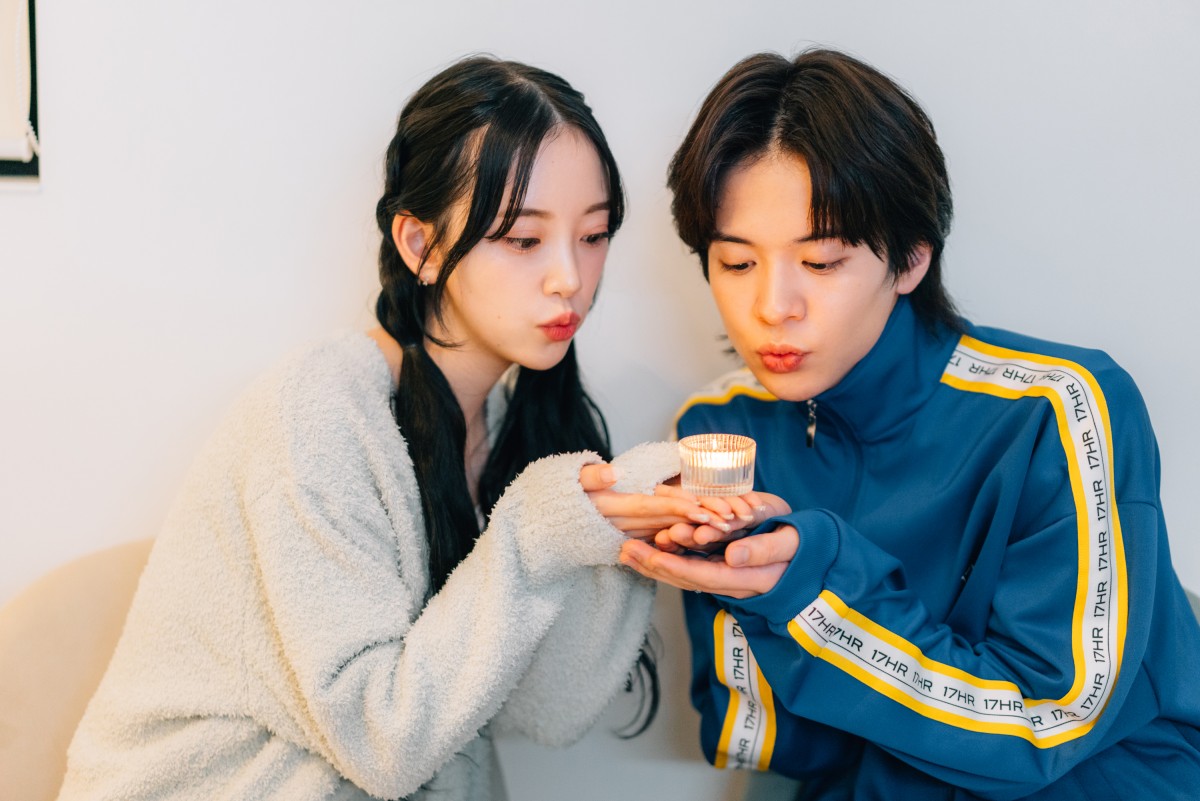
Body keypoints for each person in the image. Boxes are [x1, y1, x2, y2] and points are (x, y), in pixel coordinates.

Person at [56, 56, 706, 801]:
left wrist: (625, 527)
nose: (571, 277)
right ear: (420, 245)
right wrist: (534, 530)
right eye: (524, 240)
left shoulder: (503, 424)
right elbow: (385, 743)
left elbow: (548, 712)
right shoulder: (318, 410)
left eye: (593, 234)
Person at [620, 48, 1200, 799]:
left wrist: (811, 590)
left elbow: (1048, 723)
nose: (772, 308)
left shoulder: (1060, 408)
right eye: (736, 264)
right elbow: (760, 737)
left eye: (821, 262)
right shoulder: (723, 430)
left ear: (911, 258)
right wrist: (747, 587)